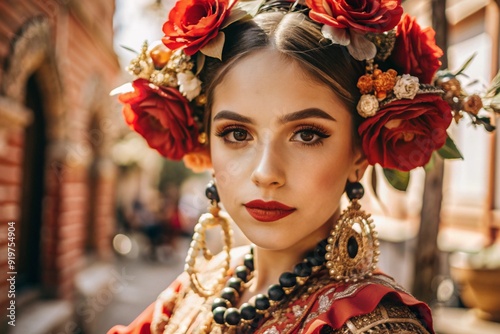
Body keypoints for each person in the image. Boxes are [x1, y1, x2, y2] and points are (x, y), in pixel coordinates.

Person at [108, 0, 496, 332]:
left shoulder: (377, 325)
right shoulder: (197, 288)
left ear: (358, 154)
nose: (265, 172)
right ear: (206, 142)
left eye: (307, 134)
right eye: (237, 133)